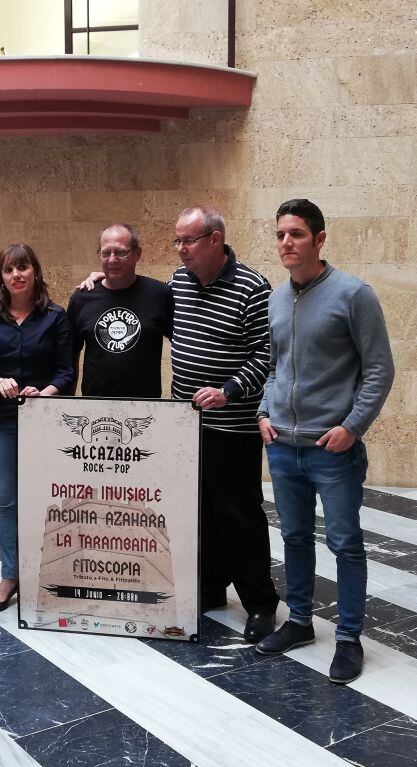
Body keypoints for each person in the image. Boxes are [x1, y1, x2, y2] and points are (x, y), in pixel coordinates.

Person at [255, 199, 394, 685]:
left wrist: (352, 426)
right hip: (282, 445)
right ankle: (299, 622)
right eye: (280, 235)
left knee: (345, 543)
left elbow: (379, 370)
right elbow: (274, 366)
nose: (286, 243)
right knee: (293, 538)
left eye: (295, 234)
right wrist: (263, 412)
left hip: (332, 449)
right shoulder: (276, 299)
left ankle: (349, 638)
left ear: (319, 239)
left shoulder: (353, 295)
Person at [170, 206, 280, 644]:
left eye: (188, 241)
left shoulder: (252, 287)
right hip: (186, 424)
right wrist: (96, 279)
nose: (181, 249)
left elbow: (266, 353)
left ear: (215, 239)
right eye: (177, 241)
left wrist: (228, 391)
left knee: (240, 516)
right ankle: (210, 589)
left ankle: (261, 603)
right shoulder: (178, 282)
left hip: (232, 426)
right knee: (199, 513)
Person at [0, 244, 74, 613]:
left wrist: (44, 393)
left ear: (35, 270)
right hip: (1, 421)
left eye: (23, 267)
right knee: (9, 501)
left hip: (45, 422)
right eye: (8, 269)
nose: (16, 275)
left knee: (50, 500)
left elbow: (66, 372)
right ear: (1, 277)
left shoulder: (56, 317)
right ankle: (11, 575)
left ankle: (49, 572)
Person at [68, 224, 172, 397]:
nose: (112, 260)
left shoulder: (159, 294)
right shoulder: (82, 298)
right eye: (106, 253)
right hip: (95, 404)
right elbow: (70, 356)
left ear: (137, 254)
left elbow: (184, 344)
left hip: (146, 406)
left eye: (120, 252)